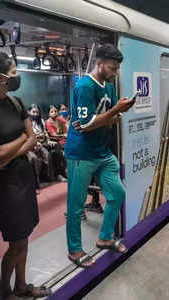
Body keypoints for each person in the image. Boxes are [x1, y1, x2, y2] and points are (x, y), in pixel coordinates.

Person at [0, 51, 51, 299]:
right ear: (0, 78)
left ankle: (21, 286)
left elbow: (32, 140)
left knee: (25, 235)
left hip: (23, 176)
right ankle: (4, 290)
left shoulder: (17, 102)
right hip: (5, 184)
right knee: (16, 241)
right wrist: (21, 139)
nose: (16, 77)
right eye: (13, 73)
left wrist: (11, 152)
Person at [64, 44, 135, 268]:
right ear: (99, 64)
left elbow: (107, 119)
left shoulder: (109, 86)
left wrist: (112, 114)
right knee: (76, 206)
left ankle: (105, 237)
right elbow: (86, 124)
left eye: (116, 69)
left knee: (117, 193)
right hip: (81, 154)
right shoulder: (85, 87)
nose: (115, 73)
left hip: (102, 152)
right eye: (112, 68)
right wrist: (110, 114)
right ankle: (74, 250)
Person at [27, 104, 67, 184]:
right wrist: (36, 142)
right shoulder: (27, 122)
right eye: (33, 112)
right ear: (28, 112)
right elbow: (30, 135)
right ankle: (50, 176)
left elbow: (45, 133)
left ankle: (60, 174)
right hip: (36, 143)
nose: (35, 114)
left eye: (37, 112)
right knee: (45, 152)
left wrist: (48, 140)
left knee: (56, 146)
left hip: (44, 142)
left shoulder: (41, 121)